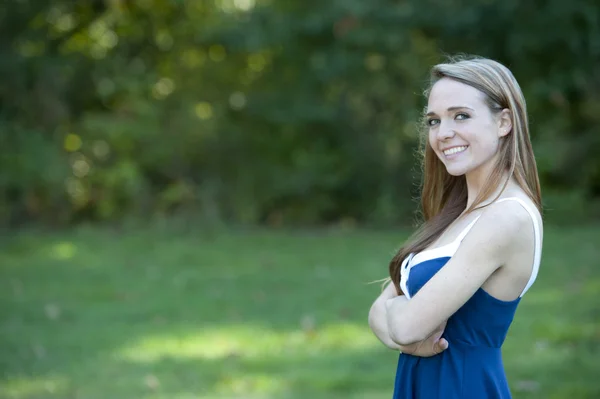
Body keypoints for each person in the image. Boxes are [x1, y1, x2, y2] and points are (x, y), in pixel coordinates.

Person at [367, 55, 544, 398]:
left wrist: (398, 321)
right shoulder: (458, 215)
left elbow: (405, 326)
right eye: (434, 121)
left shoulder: (507, 217)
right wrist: (400, 327)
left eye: (461, 116)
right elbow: (380, 313)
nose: (443, 133)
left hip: (462, 386)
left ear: (504, 122)